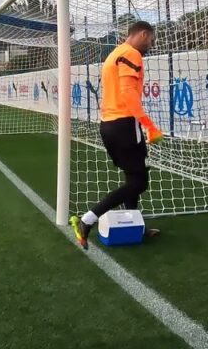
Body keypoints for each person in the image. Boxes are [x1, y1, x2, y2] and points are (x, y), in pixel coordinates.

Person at [70, 21, 163, 250]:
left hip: (109, 125)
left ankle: (134, 226)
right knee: (139, 182)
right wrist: (149, 125)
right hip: (124, 124)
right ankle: (87, 219)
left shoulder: (115, 53)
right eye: (151, 40)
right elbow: (128, 92)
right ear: (143, 34)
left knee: (133, 177)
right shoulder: (131, 53)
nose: (151, 45)